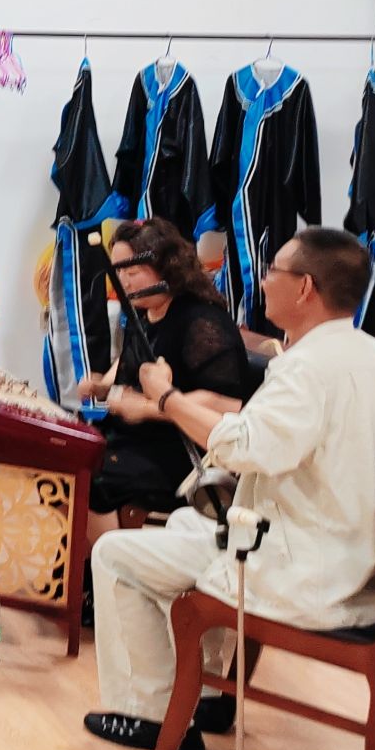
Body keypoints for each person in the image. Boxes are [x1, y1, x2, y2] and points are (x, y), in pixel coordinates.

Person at [83, 227, 375, 750]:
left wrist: (166, 398)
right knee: (189, 524)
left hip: (308, 578)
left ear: (305, 287)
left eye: (273, 270)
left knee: (117, 556)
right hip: (366, 575)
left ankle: (150, 715)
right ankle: (207, 694)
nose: (263, 278)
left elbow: (242, 447)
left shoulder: (307, 369)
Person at [70, 217, 253, 545]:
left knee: (92, 477)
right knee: (69, 451)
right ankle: (77, 563)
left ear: (167, 266)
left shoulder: (202, 321)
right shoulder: (143, 315)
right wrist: (100, 385)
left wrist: (146, 408)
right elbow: (129, 368)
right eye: (119, 271)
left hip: (179, 451)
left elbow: (226, 404)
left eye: (132, 270)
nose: (123, 280)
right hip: (135, 439)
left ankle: (107, 570)